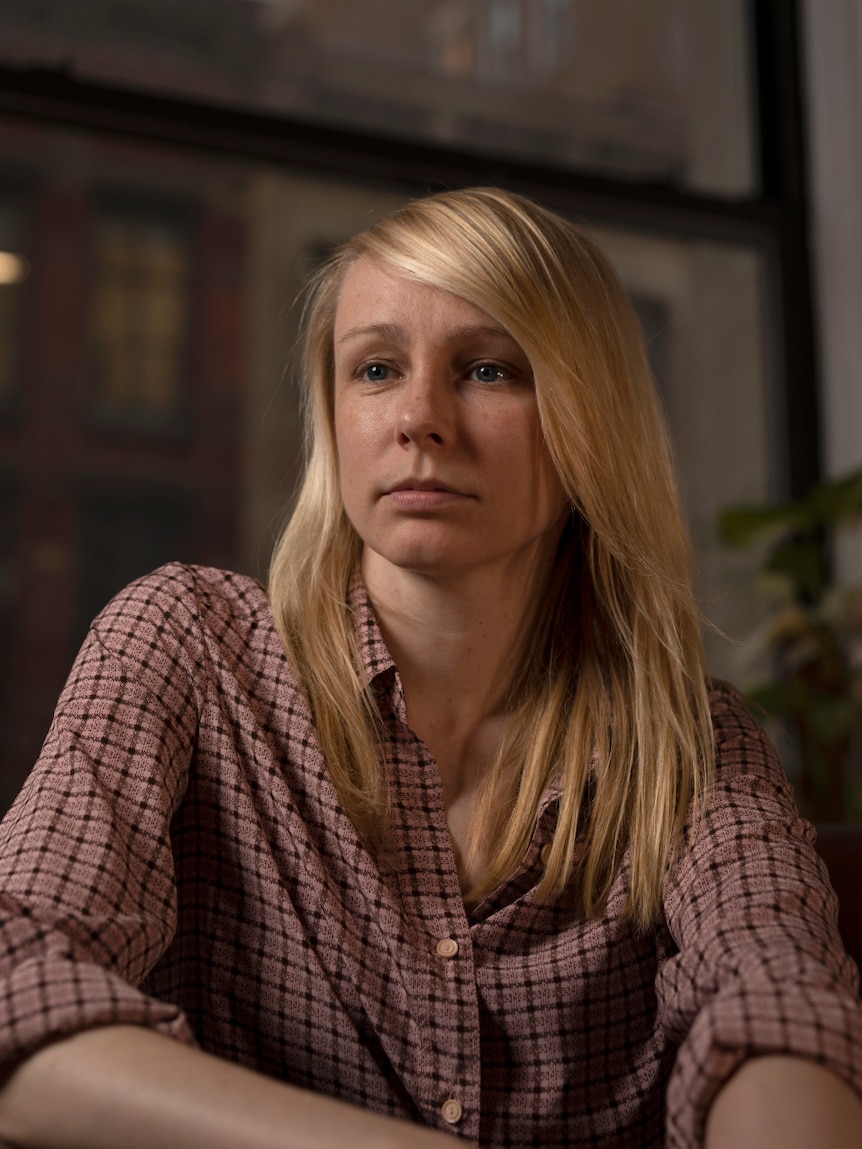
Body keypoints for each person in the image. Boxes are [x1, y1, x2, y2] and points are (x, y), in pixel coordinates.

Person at [0, 187, 859, 1149]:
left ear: (591, 415)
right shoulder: (189, 645)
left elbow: (776, 1001)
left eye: (487, 369)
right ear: (335, 417)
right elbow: (16, 992)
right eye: (375, 368)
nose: (418, 418)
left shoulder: (689, 745)